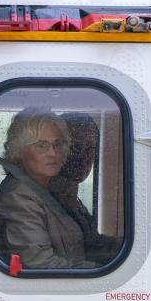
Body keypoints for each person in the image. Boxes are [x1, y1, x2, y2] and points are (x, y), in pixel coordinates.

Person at [0, 108, 98, 270]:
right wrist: (100, 269)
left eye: (59, 144)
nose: (53, 153)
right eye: (41, 146)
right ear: (19, 150)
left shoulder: (49, 191)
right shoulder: (19, 197)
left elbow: (87, 243)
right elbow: (40, 265)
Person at [47, 113, 123, 265]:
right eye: (75, 147)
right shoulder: (46, 194)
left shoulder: (69, 194)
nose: (84, 157)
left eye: (90, 148)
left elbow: (91, 244)